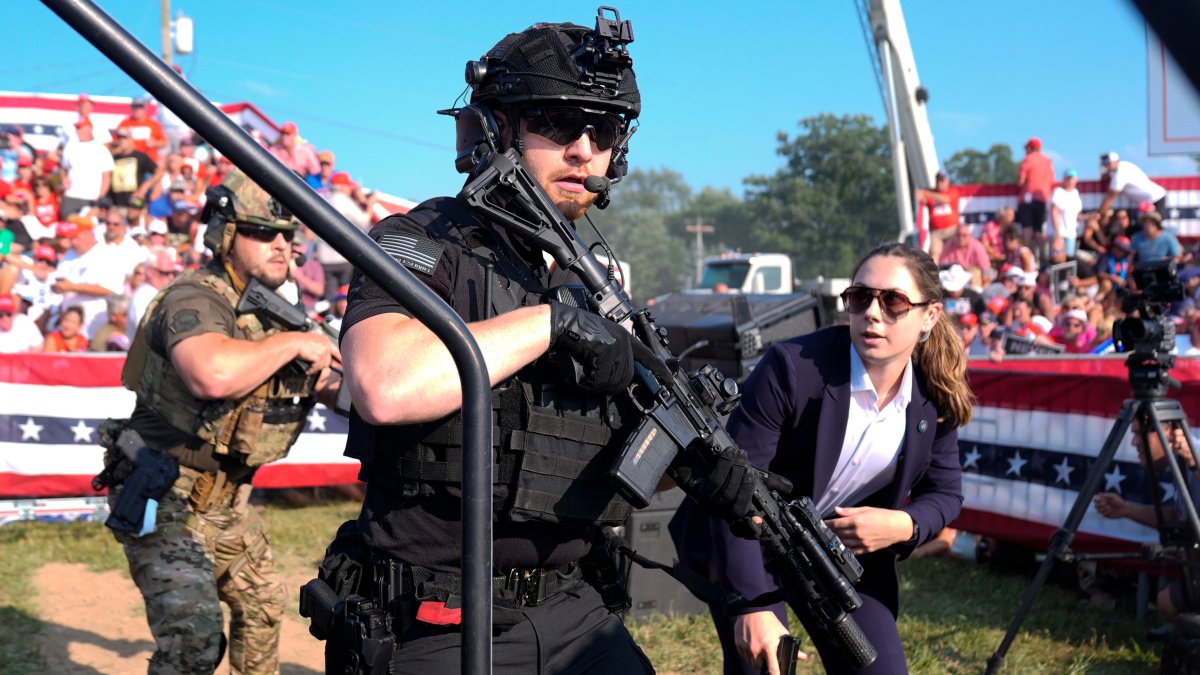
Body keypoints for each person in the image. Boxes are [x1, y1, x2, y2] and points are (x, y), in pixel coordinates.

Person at [330, 12, 734, 674]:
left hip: (575, 612)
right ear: (497, 128)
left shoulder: (596, 278)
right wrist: (550, 324)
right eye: (556, 121)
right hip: (440, 619)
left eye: (602, 130)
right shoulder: (419, 239)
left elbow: (612, 452)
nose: (583, 149)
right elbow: (384, 382)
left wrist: (701, 461)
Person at [671, 243, 971, 675]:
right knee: (764, 666)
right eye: (861, 297)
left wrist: (901, 525)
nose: (872, 312)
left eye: (893, 301)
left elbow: (946, 493)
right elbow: (729, 487)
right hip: (746, 537)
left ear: (929, 315)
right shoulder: (791, 367)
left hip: (838, 555)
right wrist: (754, 605)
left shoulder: (934, 392)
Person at [105, 169, 340, 674]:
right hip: (166, 495)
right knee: (194, 645)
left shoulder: (277, 315)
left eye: (288, 235)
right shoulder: (194, 298)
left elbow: (338, 393)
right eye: (262, 232)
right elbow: (211, 374)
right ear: (227, 236)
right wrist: (297, 344)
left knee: (263, 609)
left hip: (230, 500)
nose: (280, 245)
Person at [1095, 421, 1199, 623]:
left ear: (1169, 433)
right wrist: (1127, 509)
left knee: (1172, 605)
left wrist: (1195, 463)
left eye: (1140, 435)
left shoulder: (1194, 457)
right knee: (1168, 603)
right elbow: (1181, 516)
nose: (1134, 443)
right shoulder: (1180, 463)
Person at [1098, 152, 1167, 222]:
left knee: (1156, 227)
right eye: (1106, 164)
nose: (1107, 166)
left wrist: (1100, 215)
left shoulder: (1120, 173)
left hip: (1154, 199)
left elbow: (1110, 196)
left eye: (1109, 163)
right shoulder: (1123, 166)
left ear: (1116, 161)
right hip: (1150, 200)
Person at [1016, 137, 1055, 257]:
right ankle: (1044, 259)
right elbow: (1052, 181)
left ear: (1030, 148)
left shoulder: (1027, 159)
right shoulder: (1047, 161)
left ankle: (1026, 258)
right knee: (1038, 231)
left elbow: (1020, 182)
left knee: (1027, 229)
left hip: (1028, 198)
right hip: (1042, 199)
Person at [915, 170, 959, 264]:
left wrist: (927, 193)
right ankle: (935, 273)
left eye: (942, 180)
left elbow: (946, 200)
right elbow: (922, 200)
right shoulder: (930, 193)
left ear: (947, 181)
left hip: (952, 230)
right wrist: (918, 194)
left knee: (956, 249)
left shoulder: (952, 191)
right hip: (936, 232)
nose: (940, 183)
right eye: (938, 180)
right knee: (935, 253)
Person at [1049, 168, 1083, 258]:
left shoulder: (1075, 193)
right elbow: (1054, 212)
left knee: (1069, 260)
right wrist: (1057, 233)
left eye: (1072, 178)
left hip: (1071, 234)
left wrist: (1089, 217)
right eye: (1068, 178)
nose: (1070, 181)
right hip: (1059, 234)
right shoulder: (1058, 192)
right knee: (1057, 260)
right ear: (1064, 180)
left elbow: (1076, 216)